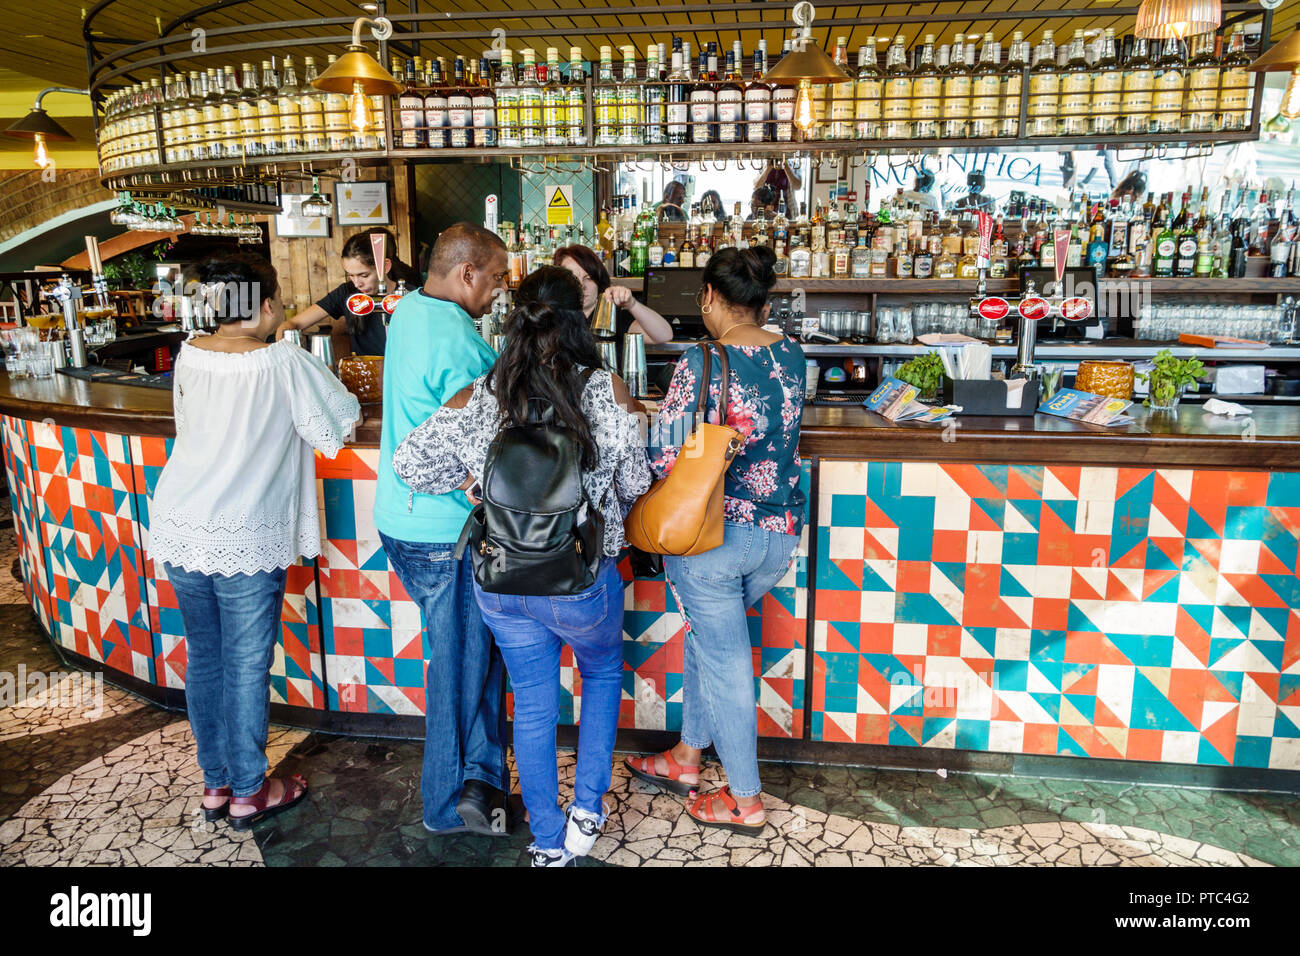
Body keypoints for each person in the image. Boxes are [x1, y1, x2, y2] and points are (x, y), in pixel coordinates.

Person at [393, 265, 651, 867]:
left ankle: (547, 841)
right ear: (580, 318)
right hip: (581, 577)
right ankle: (588, 806)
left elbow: (410, 465)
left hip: (501, 579)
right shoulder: (605, 389)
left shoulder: (481, 393)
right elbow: (636, 482)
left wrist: (475, 486)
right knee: (603, 676)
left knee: (532, 701)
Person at [149, 253, 360, 830]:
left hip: (182, 525)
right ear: (266, 306)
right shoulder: (283, 361)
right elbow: (338, 425)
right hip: (245, 530)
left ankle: (217, 782)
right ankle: (249, 789)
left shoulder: (190, 355)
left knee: (206, 658)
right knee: (244, 664)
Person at [626, 246, 805, 834]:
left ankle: (745, 799)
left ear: (708, 296)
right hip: (776, 538)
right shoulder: (793, 355)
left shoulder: (701, 359)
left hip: (712, 539)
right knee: (712, 642)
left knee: (725, 659)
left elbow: (664, 455)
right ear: (764, 302)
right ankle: (685, 757)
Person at [374, 222, 513, 836]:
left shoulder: (406, 311)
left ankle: (479, 788)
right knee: (460, 668)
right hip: (444, 532)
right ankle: (442, 804)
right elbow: (480, 432)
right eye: (497, 277)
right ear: (467, 273)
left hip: (402, 520)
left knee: (474, 660)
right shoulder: (455, 335)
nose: (500, 290)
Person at [276, 228, 421, 359]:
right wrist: (281, 357)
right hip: (363, 377)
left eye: (364, 275)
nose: (357, 283)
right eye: (351, 275)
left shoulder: (411, 295)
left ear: (385, 266)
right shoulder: (347, 292)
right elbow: (291, 323)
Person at [554, 244, 673, 369]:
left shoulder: (611, 313)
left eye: (588, 278)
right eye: (572, 278)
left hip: (612, 386)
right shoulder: (551, 316)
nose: (581, 285)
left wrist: (632, 304)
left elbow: (664, 335)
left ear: (598, 280)